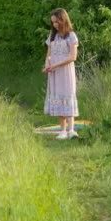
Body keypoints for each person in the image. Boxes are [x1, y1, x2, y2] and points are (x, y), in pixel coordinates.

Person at [42, 8, 79, 140]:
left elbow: (73, 57)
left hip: (66, 71)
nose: (55, 25)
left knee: (68, 95)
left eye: (57, 22)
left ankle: (71, 130)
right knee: (58, 96)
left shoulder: (71, 35)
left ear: (63, 20)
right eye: (53, 23)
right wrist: (47, 65)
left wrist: (55, 65)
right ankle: (62, 130)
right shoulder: (52, 36)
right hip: (54, 72)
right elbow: (49, 54)